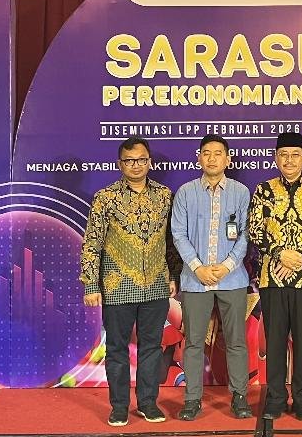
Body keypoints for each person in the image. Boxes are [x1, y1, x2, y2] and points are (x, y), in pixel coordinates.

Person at [80, 137, 181, 427]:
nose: (136, 165)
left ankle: (148, 403)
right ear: (120, 164)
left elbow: (171, 241)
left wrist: (173, 275)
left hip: (156, 286)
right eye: (129, 161)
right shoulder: (105, 198)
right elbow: (92, 243)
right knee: (117, 349)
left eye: (141, 160)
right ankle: (119, 406)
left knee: (152, 347)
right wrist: (91, 284)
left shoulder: (165, 196)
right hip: (117, 286)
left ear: (149, 162)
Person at [248, 131, 302, 421]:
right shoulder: (264, 190)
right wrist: (279, 254)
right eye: (283, 155)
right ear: (276, 158)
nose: (289, 160)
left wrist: (297, 256)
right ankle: (274, 398)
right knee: (274, 341)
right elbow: (255, 230)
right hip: (272, 278)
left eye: (295, 155)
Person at [171, 134, 253, 421]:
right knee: (194, 342)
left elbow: (246, 234)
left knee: (236, 341)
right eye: (206, 153)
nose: (212, 158)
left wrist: (227, 266)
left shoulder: (241, 192)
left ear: (228, 159)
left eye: (218, 153)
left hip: (233, 279)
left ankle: (240, 396)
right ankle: (192, 399)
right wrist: (198, 268)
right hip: (195, 280)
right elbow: (178, 234)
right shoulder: (185, 193)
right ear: (199, 158)